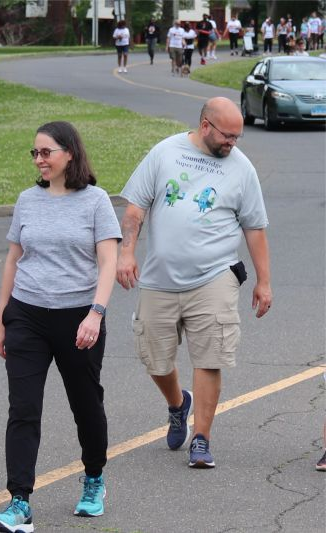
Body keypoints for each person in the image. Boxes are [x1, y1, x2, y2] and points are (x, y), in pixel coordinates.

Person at [117, 97, 272, 469]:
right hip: (159, 278)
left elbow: (255, 228)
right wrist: (127, 253)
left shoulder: (241, 168)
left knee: (210, 356)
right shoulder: (164, 153)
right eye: (227, 135)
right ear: (205, 126)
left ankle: (201, 438)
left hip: (214, 275)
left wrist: (264, 281)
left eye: (238, 136)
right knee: (154, 357)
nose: (233, 143)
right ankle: (177, 404)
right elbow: (135, 208)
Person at [0, 121, 121, 532]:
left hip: (78, 316)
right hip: (27, 314)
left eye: (46, 152)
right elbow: (13, 258)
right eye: (35, 154)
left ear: (70, 154)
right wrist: (1, 316)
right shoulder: (28, 200)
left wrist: (95, 313)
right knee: (23, 408)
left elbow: (108, 262)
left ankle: (93, 478)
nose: (39, 160)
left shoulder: (96, 202)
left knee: (86, 404)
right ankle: (19, 501)